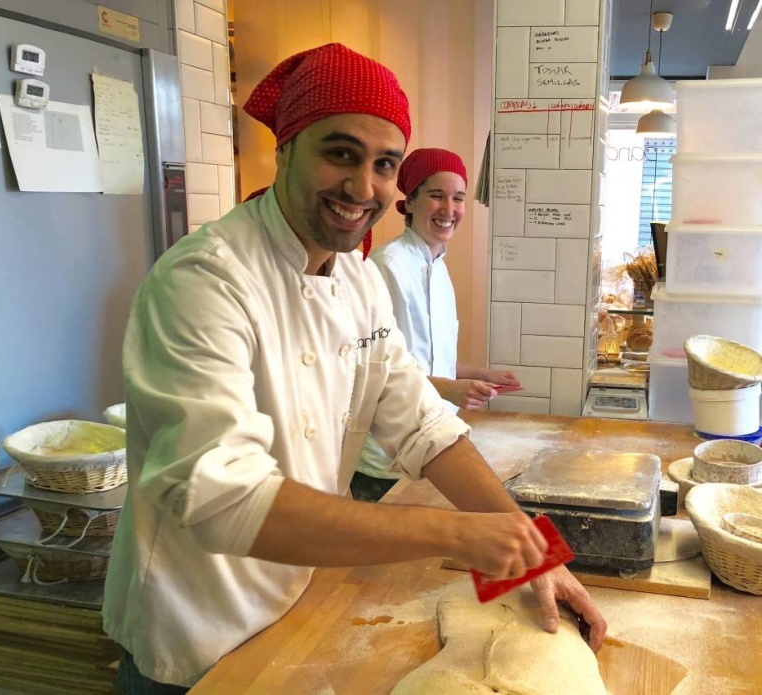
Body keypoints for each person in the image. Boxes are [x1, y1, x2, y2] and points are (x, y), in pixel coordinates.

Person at [101, 42, 606, 693]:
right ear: (285, 148)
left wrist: (531, 549)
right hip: (198, 632)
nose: (363, 186)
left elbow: (422, 423)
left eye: (384, 164)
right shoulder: (204, 281)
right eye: (340, 153)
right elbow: (221, 496)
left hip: (299, 611)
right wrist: (462, 534)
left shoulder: (358, 280)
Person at [353, 147, 521, 502]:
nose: (449, 210)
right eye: (436, 196)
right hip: (385, 457)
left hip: (433, 441)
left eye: (458, 198)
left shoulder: (439, 266)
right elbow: (368, 369)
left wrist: (479, 374)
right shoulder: (386, 266)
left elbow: (427, 357)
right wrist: (448, 389)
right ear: (410, 201)